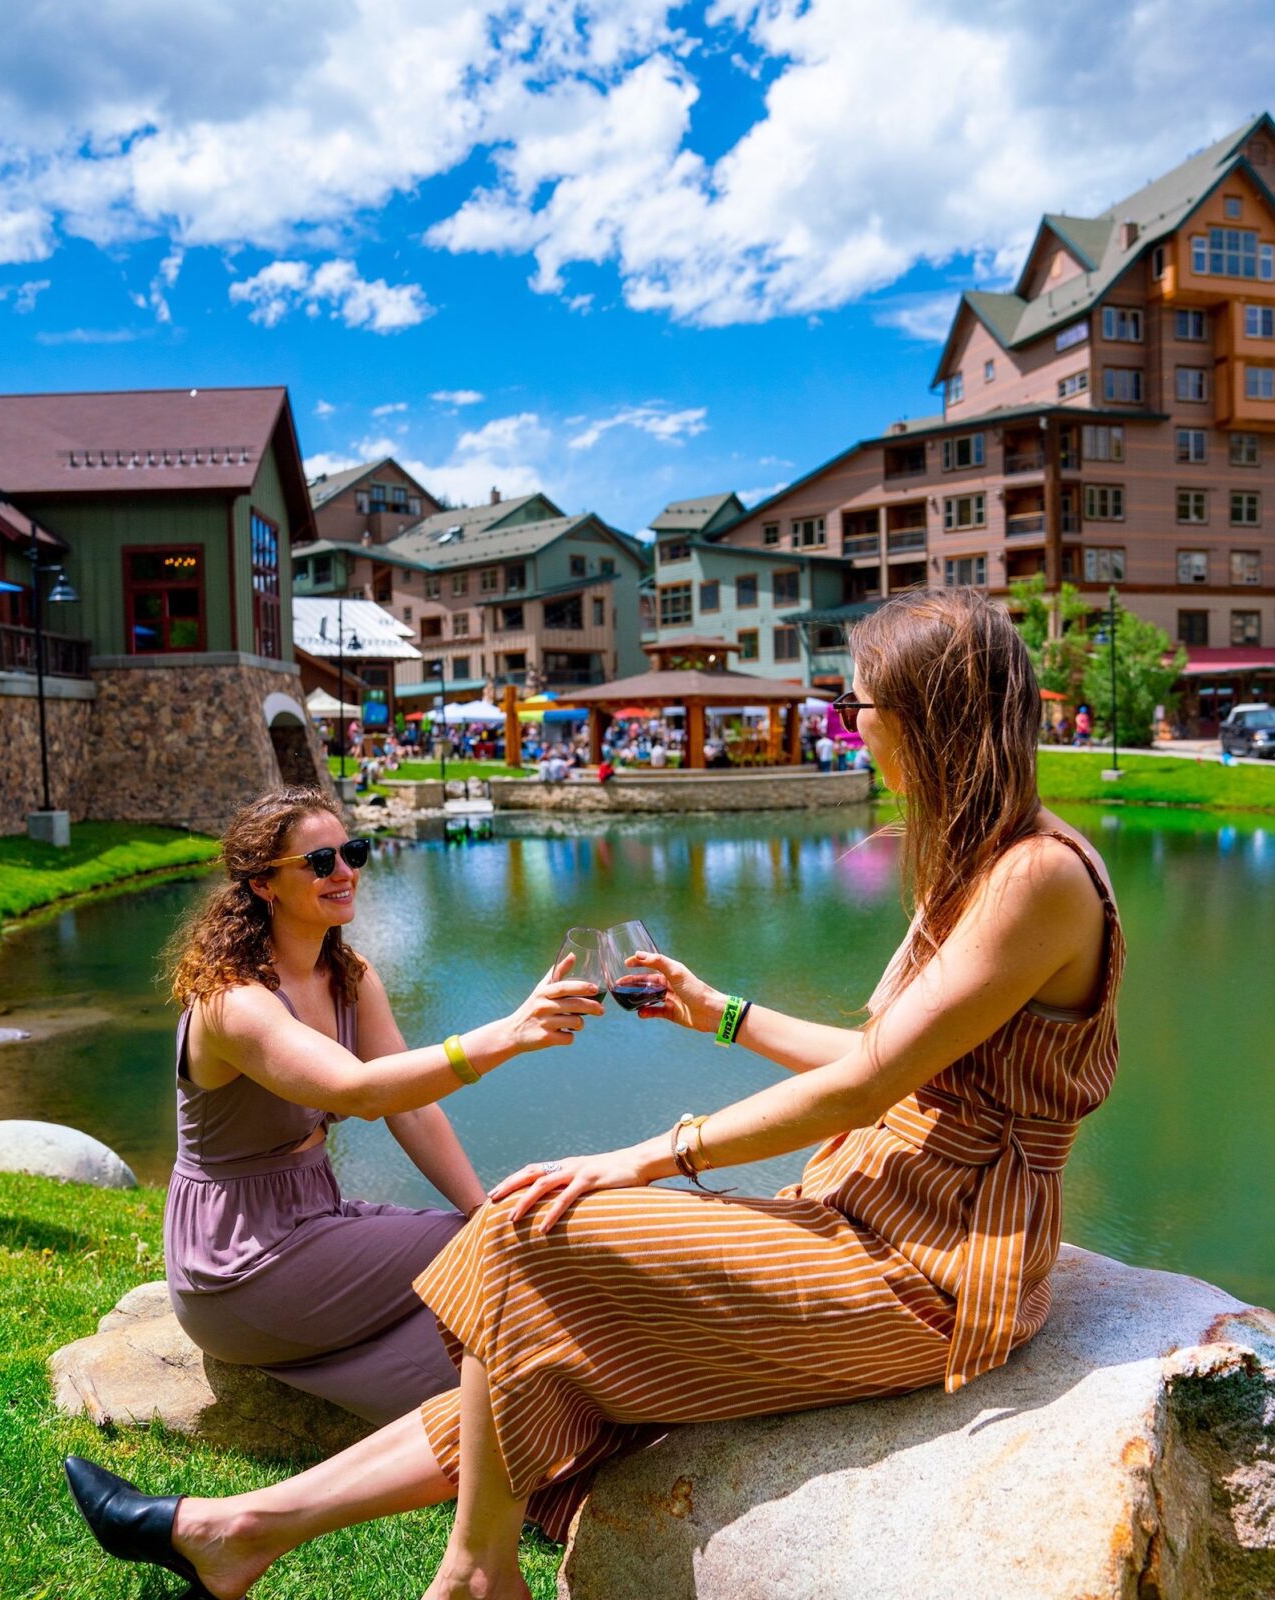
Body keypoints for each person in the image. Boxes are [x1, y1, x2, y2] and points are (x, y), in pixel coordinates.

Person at [66, 591, 1124, 1600]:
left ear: (928, 717)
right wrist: (719, 1010)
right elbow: (882, 1055)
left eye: (858, 705)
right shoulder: (977, 867)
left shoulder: (1035, 875)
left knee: (517, 1239)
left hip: (933, 1269)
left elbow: (869, 1080)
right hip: (861, 1216)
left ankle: (466, 1569)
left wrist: (650, 1154)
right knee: (536, 1290)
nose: (846, 727)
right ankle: (239, 1532)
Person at [150, 787, 603, 1431]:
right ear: (262, 885)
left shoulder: (349, 976)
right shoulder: (234, 1003)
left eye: (352, 852)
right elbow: (359, 1091)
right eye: (320, 861)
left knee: (483, 1285)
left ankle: (520, 1426)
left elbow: (408, 1109)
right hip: (238, 1261)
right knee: (483, 1252)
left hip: (315, 1218)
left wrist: (479, 1208)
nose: (344, 873)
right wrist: (508, 1033)